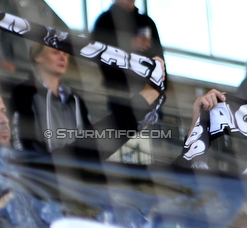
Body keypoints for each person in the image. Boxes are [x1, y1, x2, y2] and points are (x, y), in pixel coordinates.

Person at [10, 43, 164, 158]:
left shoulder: (75, 99)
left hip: (75, 176)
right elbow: (21, 141)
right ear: (38, 57)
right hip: (44, 176)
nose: (62, 56)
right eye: (55, 52)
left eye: (65, 53)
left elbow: (91, 142)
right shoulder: (23, 93)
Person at [90, 0, 164, 95]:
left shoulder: (146, 22)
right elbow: (98, 53)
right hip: (118, 93)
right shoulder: (104, 22)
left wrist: (154, 91)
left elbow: (160, 59)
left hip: (148, 94)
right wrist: (128, 45)